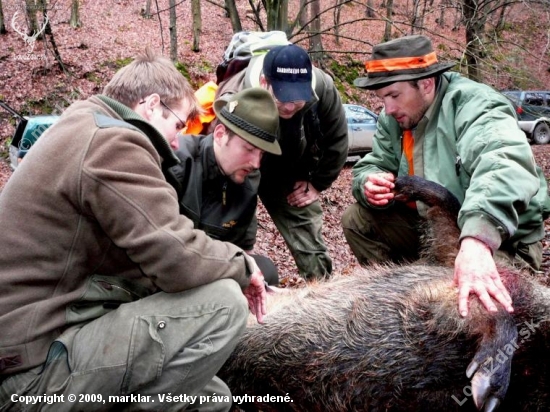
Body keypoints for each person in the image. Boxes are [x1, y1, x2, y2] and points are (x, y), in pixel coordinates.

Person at [0, 49, 266, 412]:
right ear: (151, 105)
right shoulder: (113, 143)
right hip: (32, 371)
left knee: (210, 398)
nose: (177, 142)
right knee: (225, 304)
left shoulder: (84, 125)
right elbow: (175, 254)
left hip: (34, 346)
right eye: (179, 125)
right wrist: (244, 266)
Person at [341, 35, 550, 317]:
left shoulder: (475, 105)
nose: (388, 109)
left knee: (472, 309)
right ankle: (402, 299)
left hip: (500, 240)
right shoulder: (395, 118)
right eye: (382, 99)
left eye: (393, 95)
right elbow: (373, 163)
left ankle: (431, 288)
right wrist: (367, 182)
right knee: (357, 220)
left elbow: (503, 162)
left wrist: (478, 239)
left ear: (426, 84)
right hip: (432, 227)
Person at [215, 43, 349, 280]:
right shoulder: (234, 97)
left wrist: (317, 183)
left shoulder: (323, 89)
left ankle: (321, 296)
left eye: (297, 99)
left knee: (308, 237)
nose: (289, 106)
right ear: (265, 82)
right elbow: (218, 156)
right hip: (238, 171)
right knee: (232, 237)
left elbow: (337, 139)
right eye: (282, 97)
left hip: (289, 170)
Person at [171, 87, 281, 285]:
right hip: (171, 269)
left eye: (262, 154)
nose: (256, 163)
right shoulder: (177, 162)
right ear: (220, 134)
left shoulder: (249, 180)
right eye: (249, 149)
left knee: (266, 272)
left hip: (214, 270)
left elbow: (242, 250)